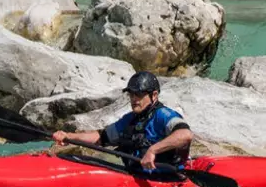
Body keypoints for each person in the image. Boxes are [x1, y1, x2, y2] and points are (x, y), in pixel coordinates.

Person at [52, 71, 193, 171]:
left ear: (154, 95)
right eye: (131, 94)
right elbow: (101, 138)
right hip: (135, 175)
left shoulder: (163, 115)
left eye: (138, 94)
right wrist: (69, 136)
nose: (133, 99)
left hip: (165, 179)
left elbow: (185, 135)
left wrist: (153, 150)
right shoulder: (130, 119)